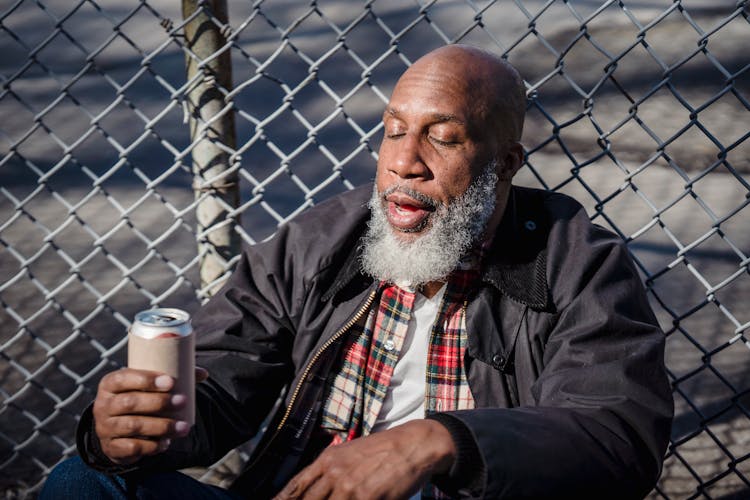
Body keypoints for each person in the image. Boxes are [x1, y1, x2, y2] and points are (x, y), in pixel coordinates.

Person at [42, 44, 673, 499]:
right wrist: (143, 426)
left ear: (504, 163)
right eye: (393, 132)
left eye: (443, 138)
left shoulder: (576, 264)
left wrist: (438, 441)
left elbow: (615, 436)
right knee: (83, 479)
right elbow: (223, 371)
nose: (405, 162)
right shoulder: (321, 240)